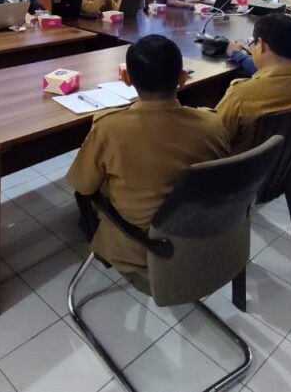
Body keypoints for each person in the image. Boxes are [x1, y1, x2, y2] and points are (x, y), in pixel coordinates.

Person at [66, 35, 229, 292]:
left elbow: (83, 186)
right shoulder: (213, 124)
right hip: (203, 237)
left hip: (145, 249)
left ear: (126, 78)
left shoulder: (110, 128)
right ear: (183, 78)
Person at [216, 14, 291, 153]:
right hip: (288, 164)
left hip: (244, 166)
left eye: (253, 43)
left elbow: (213, 136)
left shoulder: (241, 95)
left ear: (261, 45)